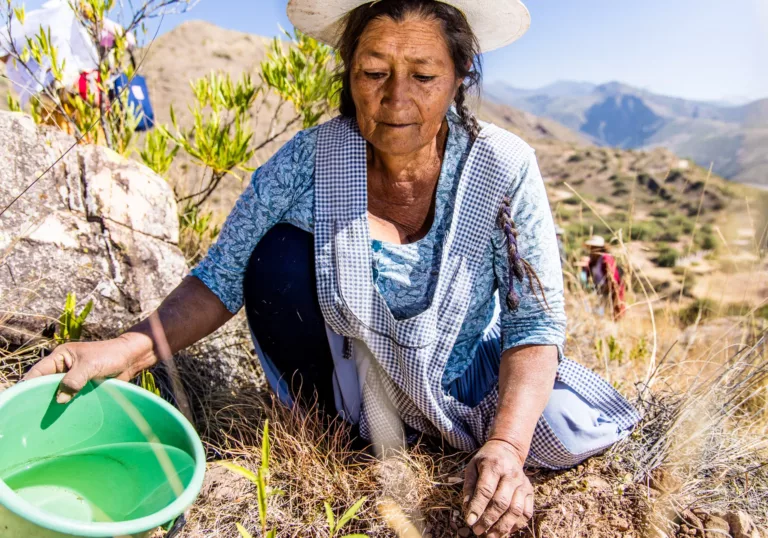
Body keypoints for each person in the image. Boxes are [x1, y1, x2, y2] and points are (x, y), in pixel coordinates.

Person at [24, 1, 640, 535]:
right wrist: (125, 352)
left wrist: (506, 444)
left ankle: (463, 440)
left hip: (466, 384)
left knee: (551, 425)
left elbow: (535, 325)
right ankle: (341, 438)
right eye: (374, 72)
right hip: (358, 383)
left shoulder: (503, 167)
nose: (396, 98)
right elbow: (220, 277)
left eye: (424, 74)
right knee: (275, 259)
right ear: (348, 77)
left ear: (459, 78)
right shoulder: (312, 162)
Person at [581, 235, 626, 320]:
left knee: (613, 312)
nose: (593, 249)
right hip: (598, 290)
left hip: (609, 290)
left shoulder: (606, 258)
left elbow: (613, 277)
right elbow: (589, 275)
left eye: (595, 247)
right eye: (592, 247)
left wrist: (606, 288)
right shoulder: (592, 260)